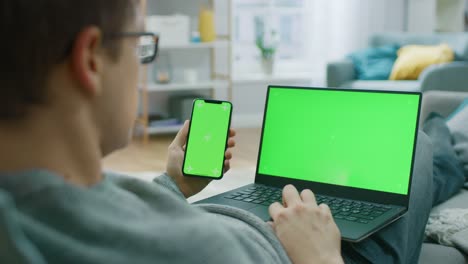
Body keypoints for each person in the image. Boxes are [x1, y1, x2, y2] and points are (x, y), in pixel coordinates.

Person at [0, 1, 464, 263]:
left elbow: (102, 219)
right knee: (419, 147)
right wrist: (321, 257)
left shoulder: (31, 203)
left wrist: (172, 185)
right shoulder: (202, 252)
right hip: (306, 246)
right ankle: (451, 138)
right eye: (141, 44)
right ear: (92, 60)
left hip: (238, 213)